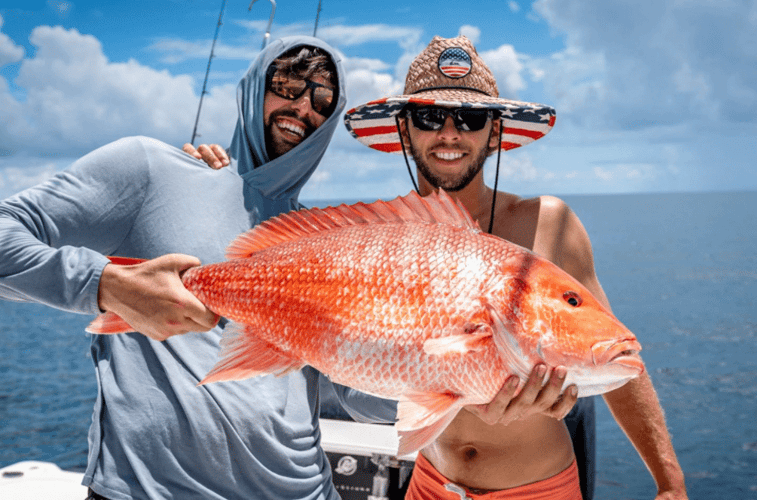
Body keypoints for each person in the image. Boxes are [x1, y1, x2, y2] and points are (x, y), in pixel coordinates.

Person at [0, 36, 399, 500]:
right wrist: (106, 286)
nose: (302, 106)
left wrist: (432, 381)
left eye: (322, 99)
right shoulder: (151, 170)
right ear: (253, 87)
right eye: (286, 83)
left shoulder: (323, 239)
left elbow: (342, 392)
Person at [341, 36, 688, 499]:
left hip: (536, 488)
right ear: (405, 131)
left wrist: (670, 483)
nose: (449, 134)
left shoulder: (548, 224)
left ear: (496, 132)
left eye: (471, 118)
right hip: (428, 481)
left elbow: (615, 359)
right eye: (428, 117)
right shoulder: (376, 246)